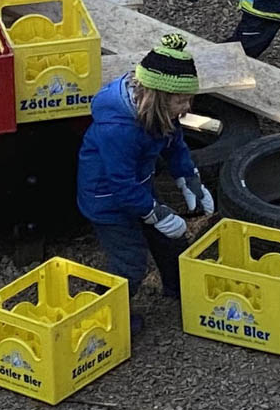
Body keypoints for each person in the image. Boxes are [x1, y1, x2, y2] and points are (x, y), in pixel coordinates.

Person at [75, 34, 215, 332]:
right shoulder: (119, 130)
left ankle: (177, 288)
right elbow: (120, 183)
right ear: (160, 96)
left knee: (168, 240)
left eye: (189, 99)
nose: (187, 107)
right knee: (129, 263)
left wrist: (189, 178)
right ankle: (106, 316)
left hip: (137, 188)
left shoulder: (160, 113)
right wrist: (156, 212)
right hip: (108, 201)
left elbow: (175, 142)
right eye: (181, 100)